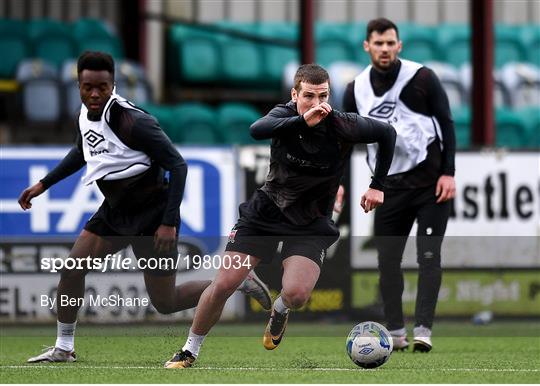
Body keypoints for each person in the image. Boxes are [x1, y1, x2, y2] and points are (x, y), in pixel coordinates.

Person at [19, 51, 271, 363]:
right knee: (72, 269)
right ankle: (64, 347)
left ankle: (235, 282)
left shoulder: (133, 121)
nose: (94, 93)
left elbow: (178, 166)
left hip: (153, 216)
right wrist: (44, 184)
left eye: (102, 86)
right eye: (88, 87)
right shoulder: (84, 115)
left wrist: (168, 223)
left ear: (113, 85)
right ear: (79, 86)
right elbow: (82, 150)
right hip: (114, 212)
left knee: (165, 301)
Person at [164, 63, 396, 368]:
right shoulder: (283, 116)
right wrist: (301, 121)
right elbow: (256, 129)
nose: (317, 104)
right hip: (264, 214)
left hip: (311, 222)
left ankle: (280, 310)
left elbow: (387, 133)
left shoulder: (343, 124)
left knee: (297, 294)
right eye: (309, 96)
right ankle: (189, 350)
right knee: (223, 285)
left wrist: (377, 185)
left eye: (323, 96)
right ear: (294, 94)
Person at [343, 18, 456, 352]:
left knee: (429, 256)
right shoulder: (355, 89)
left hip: (430, 184)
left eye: (390, 43)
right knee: (387, 261)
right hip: (388, 187)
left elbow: (446, 123)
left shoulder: (422, 78)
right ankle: (395, 331)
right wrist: (337, 183)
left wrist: (448, 172)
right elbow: (344, 140)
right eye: (378, 43)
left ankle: (423, 330)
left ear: (399, 45)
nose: (385, 49)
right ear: (367, 46)